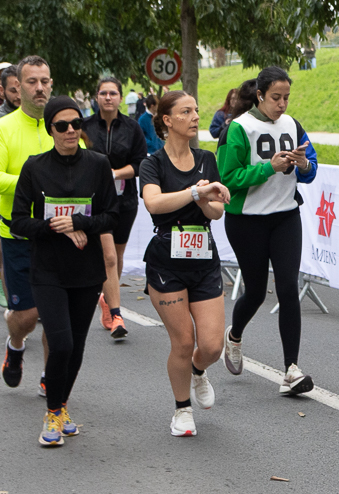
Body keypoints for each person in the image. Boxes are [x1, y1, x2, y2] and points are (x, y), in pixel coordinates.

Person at [11, 96, 118, 446]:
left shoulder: (98, 164)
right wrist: (55, 226)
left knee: (77, 348)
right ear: (51, 129)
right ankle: (52, 411)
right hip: (48, 270)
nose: (71, 130)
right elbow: (18, 222)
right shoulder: (34, 167)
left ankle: (61, 406)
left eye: (76, 123)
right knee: (61, 343)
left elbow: (112, 216)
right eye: (62, 125)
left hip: (86, 271)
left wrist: (79, 222)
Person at [217, 66, 318, 395]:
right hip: (247, 220)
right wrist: (268, 167)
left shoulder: (292, 125)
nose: (282, 104)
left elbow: (311, 168)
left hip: (286, 216)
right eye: (276, 97)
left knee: (288, 288)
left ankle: (291, 370)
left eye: (287, 97)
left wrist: (303, 164)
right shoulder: (238, 128)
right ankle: (234, 336)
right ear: (259, 95)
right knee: (257, 292)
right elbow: (227, 178)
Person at [140, 91, 229, 437]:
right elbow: (154, 203)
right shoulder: (153, 163)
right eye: (186, 111)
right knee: (182, 340)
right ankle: (182, 410)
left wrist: (206, 200)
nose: (195, 117)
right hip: (166, 263)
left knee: (212, 346)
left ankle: (198, 370)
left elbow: (216, 211)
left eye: (196, 110)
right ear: (167, 120)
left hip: (203, 258)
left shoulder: (206, 158)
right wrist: (195, 192)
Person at [0, 56, 53, 394]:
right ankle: (15, 343)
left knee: (56, 314)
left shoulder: (62, 126)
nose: (39, 88)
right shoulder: (4, 128)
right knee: (27, 316)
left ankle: (51, 377)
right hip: (16, 234)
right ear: (18, 87)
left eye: (44, 81)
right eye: (32, 82)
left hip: (57, 235)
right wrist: (30, 182)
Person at [81, 77, 148, 341]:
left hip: (124, 199)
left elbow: (141, 163)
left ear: (120, 97)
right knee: (107, 256)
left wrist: (115, 173)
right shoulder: (85, 126)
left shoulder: (132, 127)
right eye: (103, 93)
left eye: (113, 93)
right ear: (96, 97)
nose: (108, 98)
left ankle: (107, 300)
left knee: (117, 254)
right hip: (95, 202)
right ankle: (115, 310)